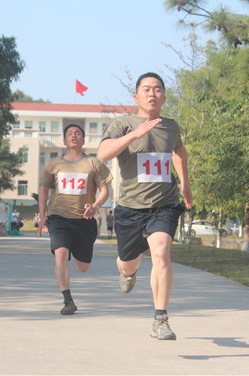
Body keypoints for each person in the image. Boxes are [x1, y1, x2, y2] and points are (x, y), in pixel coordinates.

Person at [98, 72, 192, 340]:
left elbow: (179, 152)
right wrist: (134, 135)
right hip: (130, 207)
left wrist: (185, 183)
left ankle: (160, 319)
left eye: (158, 89)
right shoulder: (122, 123)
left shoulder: (170, 126)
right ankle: (128, 272)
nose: (152, 93)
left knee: (161, 251)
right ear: (136, 96)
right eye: (147, 89)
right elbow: (103, 153)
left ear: (164, 96)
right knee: (128, 263)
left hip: (164, 204)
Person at [38, 124, 112, 315]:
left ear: (83, 140)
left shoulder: (94, 164)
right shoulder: (53, 164)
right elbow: (44, 190)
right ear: (64, 140)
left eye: (78, 133)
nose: (74, 136)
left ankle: (79, 255)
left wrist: (95, 206)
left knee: (83, 266)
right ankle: (68, 300)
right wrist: (43, 216)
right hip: (58, 217)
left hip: (84, 219)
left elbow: (105, 190)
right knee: (61, 253)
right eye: (70, 134)